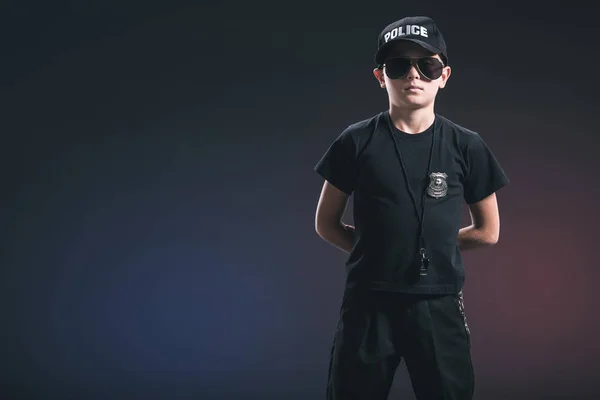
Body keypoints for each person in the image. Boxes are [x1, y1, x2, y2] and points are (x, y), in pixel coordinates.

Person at [313, 16, 509, 400]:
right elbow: (326, 223)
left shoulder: (466, 145)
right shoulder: (355, 141)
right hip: (369, 301)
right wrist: (378, 250)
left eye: (427, 65)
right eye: (399, 65)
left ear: (444, 75)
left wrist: (435, 249)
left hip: (437, 301)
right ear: (381, 76)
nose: (413, 75)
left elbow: (488, 231)